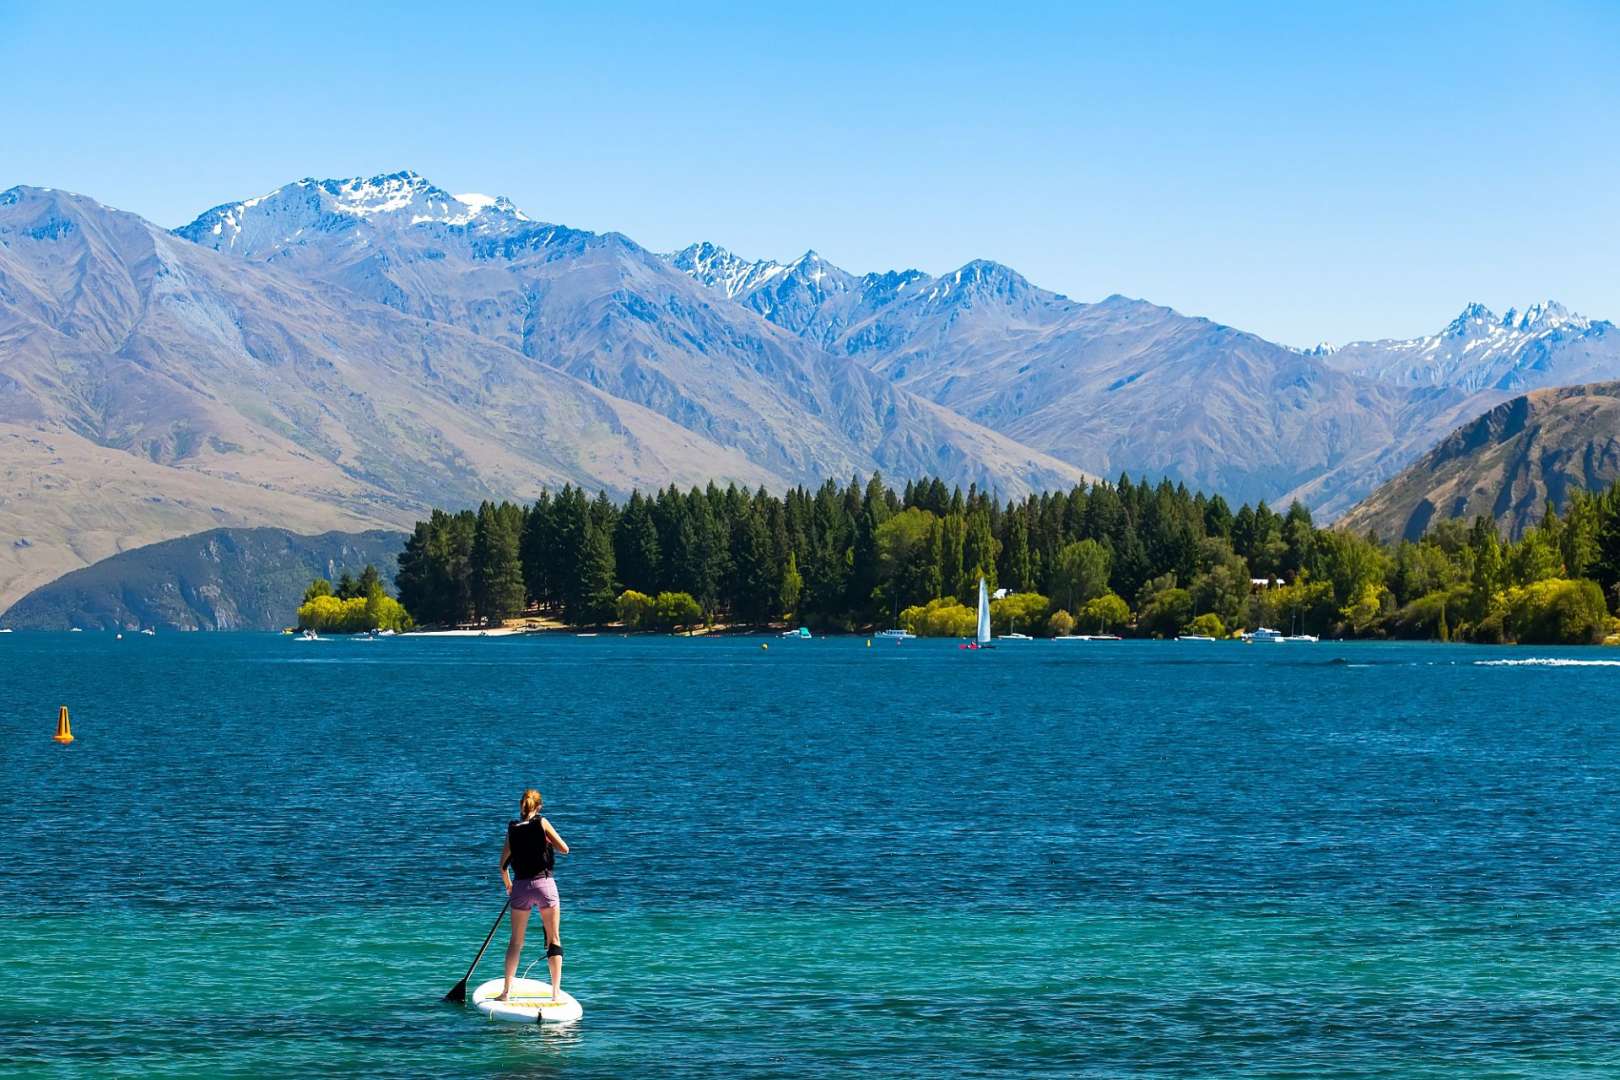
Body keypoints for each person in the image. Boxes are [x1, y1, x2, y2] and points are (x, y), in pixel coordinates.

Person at [496, 788, 570, 1002]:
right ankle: (555, 993)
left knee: (516, 942)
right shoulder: (542, 823)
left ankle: (506, 992)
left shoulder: (512, 829)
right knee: (554, 939)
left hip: (520, 887)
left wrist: (509, 886)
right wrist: (547, 842)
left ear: (521, 806)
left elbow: (502, 866)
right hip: (545, 885)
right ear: (538, 807)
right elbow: (564, 848)